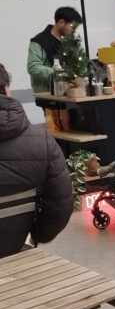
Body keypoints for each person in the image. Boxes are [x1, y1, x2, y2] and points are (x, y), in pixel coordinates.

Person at [0, 63, 73, 257]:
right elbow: (61, 205)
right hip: (15, 249)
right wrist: (37, 234)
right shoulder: (43, 141)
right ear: (6, 90)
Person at [27, 6, 82, 94]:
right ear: (61, 22)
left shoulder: (71, 42)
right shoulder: (39, 42)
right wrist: (59, 73)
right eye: (72, 27)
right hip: (47, 94)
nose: (74, 31)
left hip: (71, 93)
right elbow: (33, 68)